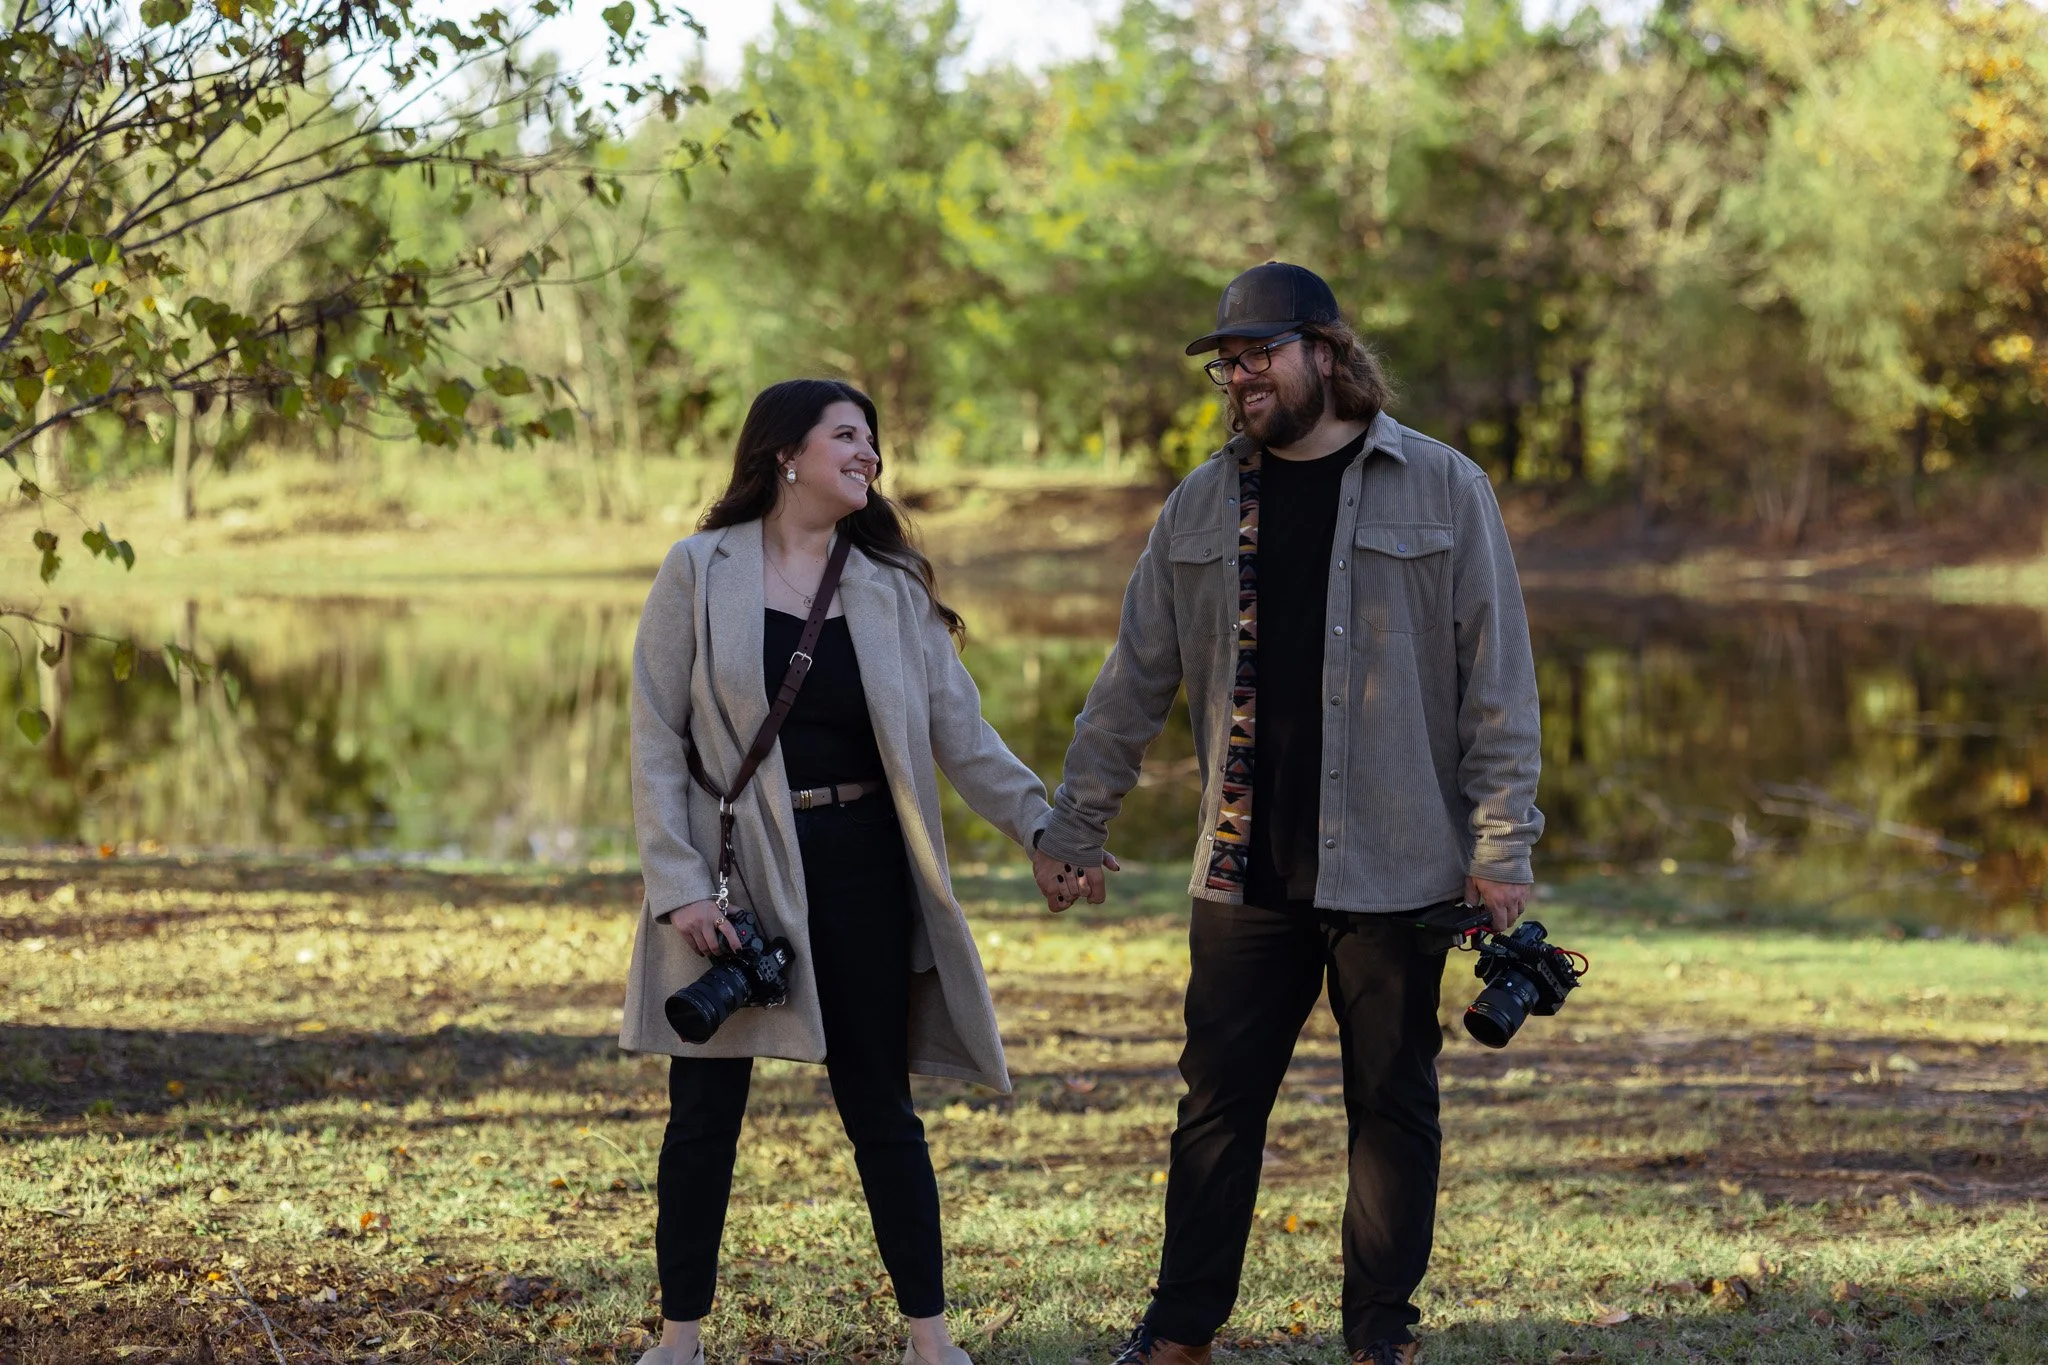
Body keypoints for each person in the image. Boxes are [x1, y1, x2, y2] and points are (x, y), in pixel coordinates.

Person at [1030, 263, 1544, 1365]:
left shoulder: (1442, 487)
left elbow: (1496, 679)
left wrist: (1502, 845)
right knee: (1213, 1112)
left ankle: (1377, 1340)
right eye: (1226, 359)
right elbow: (1132, 681)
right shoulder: (1201, 504)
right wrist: (1075, 823)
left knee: (1392, 1112)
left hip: (1404, 868)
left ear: (1324, 349)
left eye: (1257, 353)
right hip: (1242, 873)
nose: (1237, 375)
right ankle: (1179, 1333)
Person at [623, 378, 1053, 1365]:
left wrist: (1043, 828)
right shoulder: (697, 570)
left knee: (879, 1108)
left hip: (861, 865)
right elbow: (654, 737)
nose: (869, 455)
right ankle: (679, 1338)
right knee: (703, 1116)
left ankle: (930, 1341)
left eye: (873, 440)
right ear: (785, 453)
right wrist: (680, 888)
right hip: (731, 874)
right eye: (847, 436)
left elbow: (963, 733)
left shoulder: (887, 583)